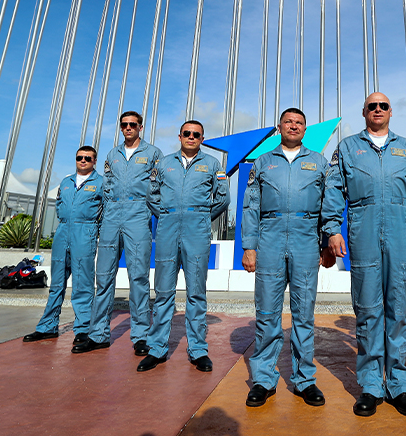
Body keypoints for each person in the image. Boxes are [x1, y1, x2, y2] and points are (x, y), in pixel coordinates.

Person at [322, 93, 406, 418]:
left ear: (390, 112)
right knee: (369, 309)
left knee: (397, 309)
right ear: (363, 112)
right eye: (372, 106)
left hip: (401, 232)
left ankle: (399, 385)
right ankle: (372, 386)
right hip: (363, 231)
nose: (377, 110)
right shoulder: (347, 148)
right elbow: (333, 189)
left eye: (383, 106)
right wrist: (332, 229)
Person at [241, 108, 329, 407]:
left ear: (305, 129)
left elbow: (327, 207)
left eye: (300, 123)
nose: (294, 126)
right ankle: (264, 379)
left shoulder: (318, 162)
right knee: (267, 313)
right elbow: (250, 206)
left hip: (306, 238)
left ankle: (305, 380)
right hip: (270, 237)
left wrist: (325, 243)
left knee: (304, 314)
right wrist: (249, 246)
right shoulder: (263, 162)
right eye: (289, 121)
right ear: (279, 127)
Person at [136, 120, 230, 372]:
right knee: (164, 292)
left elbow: (223, 197)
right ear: (179, 136)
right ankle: (156, 349)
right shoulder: (164, 163)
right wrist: (166, 215)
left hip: (196, 231)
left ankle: (198, 350)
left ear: (202, 138)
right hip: (167, 229)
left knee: (196, 292)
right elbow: (151, 195)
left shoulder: (212, 164)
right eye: (187, 133)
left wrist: (200, 217)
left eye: (196, 134)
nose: (191, 137)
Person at [73, 111, 164, 355]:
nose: (128, 128)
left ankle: (141, 336)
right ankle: (98, 334)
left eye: (132, 124)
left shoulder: (153, 153)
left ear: (140, 127)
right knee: (103, 277)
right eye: (124, 124)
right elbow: (108, 186)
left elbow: (159, 186)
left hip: (138, 212)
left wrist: (152, 211)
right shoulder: (112, 154)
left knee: (138, 278)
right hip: (112, 215)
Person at [23, 146, 103, 345]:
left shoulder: (101, 183)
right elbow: (60, 206)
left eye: (87, 158)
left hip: (85, 232)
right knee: (56, 283)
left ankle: (84, 329)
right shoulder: (66, 182)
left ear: (94, 161)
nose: (82, 161)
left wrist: (93, 231)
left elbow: (105, 212)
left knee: (82, 284)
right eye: (79, 157)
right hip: (63, 232)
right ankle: (47, 327)